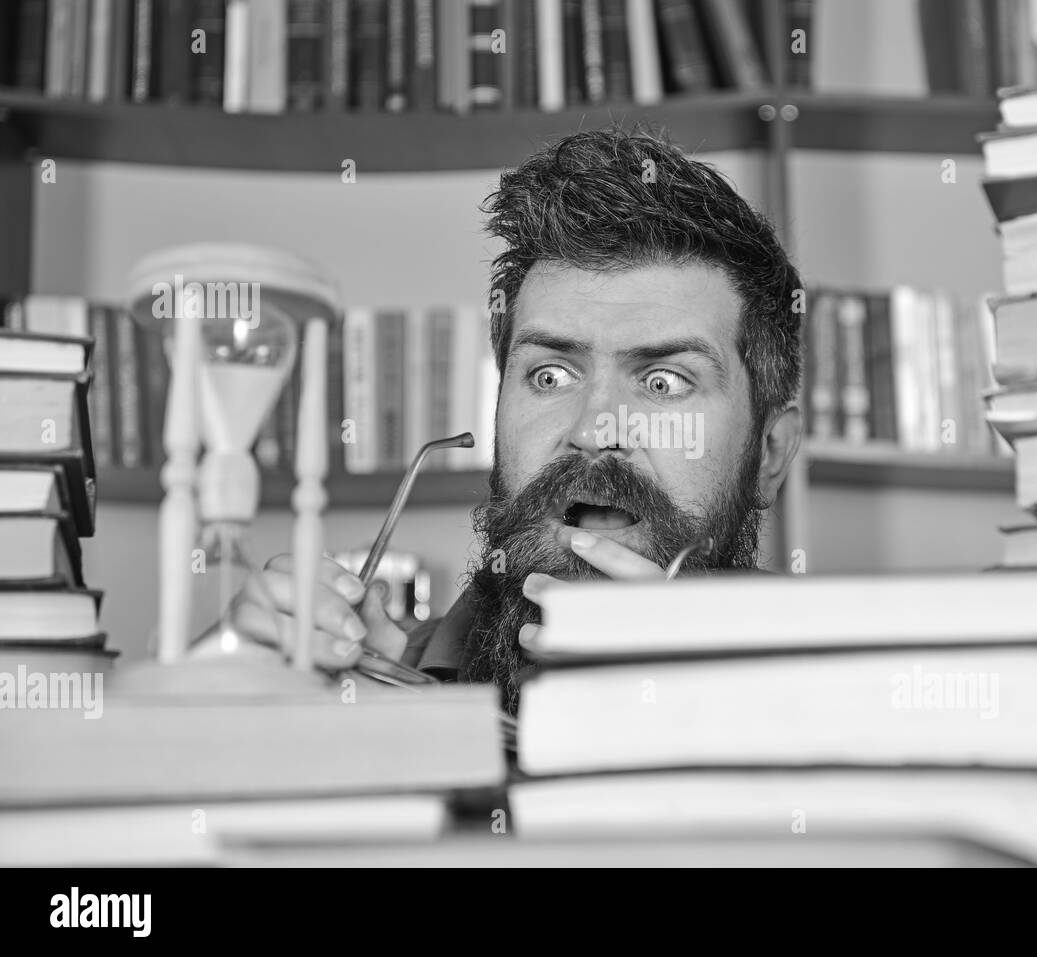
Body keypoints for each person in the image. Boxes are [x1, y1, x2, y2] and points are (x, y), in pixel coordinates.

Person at [235, 127, 804, 714]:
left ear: (769, 452)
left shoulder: (848, 692)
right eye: (550, 376)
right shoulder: (370, 686)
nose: (593, 431)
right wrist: (264, 702)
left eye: (664, 382)